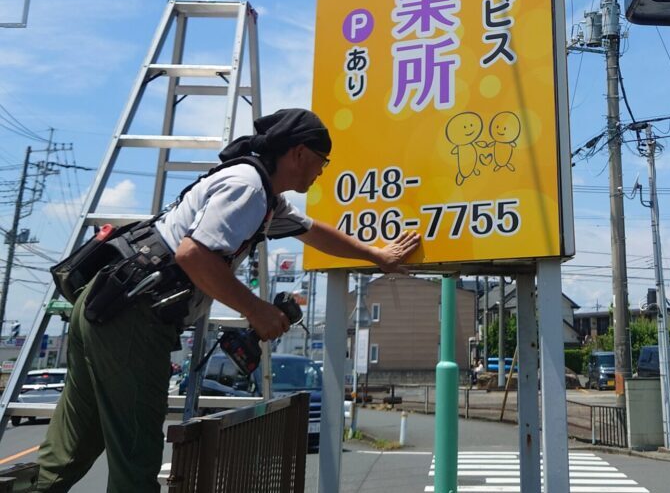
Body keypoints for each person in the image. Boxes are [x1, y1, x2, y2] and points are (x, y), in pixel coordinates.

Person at [36, 108, 420, 493]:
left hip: (105, 301)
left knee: (73, 444)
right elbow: (194, 255)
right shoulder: (248, 189)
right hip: (135, 316)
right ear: (300, 153)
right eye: (323, 161)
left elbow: (313, 232)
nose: (322, 171)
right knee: (136, 456)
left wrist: (376, 255)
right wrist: (257, 310)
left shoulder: (263, 195)